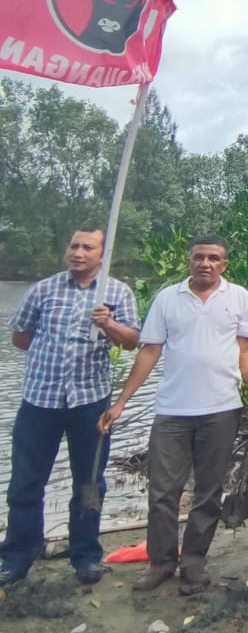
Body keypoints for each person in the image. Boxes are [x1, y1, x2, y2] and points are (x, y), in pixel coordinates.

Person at [99, 236, 248, 595]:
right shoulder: (166, 299)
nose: (205, 263)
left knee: (208, 492)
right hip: (173, 410)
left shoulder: (238, 297)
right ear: (189, 261)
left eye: (214, 258)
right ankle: (161, 563)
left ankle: (193, 562)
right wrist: (122, 401)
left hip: (223, 409)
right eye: (199, 257)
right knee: (162, 491)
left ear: (225, 264)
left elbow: (246, 350)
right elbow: (149, 352)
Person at [0, 227, 140, 588]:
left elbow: (132, 342)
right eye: (74, 245)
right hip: (39, 402)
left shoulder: (117, 292)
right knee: (25, 485)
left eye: (87, 247)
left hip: (89, 404)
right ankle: (18, 555)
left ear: (102, 255)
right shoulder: (44, 289)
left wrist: (107, 323)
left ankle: (86, 555)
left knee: (89, 483)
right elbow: (21, 337)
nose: (78, 252)